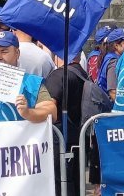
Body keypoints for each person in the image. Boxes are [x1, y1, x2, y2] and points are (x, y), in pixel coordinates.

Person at [43, 54, 88, 196]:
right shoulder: (83, 74)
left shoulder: (58, 75)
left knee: (60, 182)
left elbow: (49, 106)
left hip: (60, 137)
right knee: (76, 180)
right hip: (79, 135)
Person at [99, 28, 124, 101]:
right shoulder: (113, 62)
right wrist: (123, 106)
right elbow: (113, 92)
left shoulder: (110, 56)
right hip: (110, 104)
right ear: (116, 45)